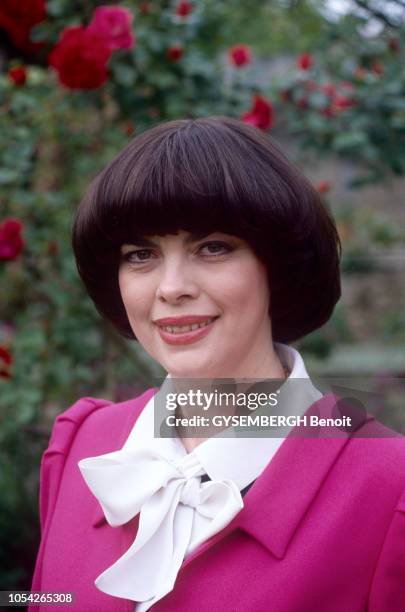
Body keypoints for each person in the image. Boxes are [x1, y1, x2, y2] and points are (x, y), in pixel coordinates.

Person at [30, 117, 405, 611]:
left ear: (278, 263)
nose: (171, 287)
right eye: (141, 254)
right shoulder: (80, 446)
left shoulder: (388, 488)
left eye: (212, 247)